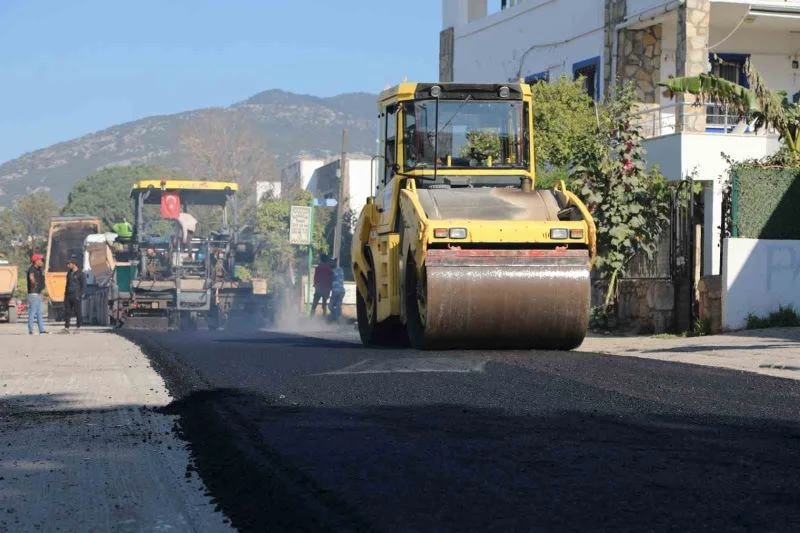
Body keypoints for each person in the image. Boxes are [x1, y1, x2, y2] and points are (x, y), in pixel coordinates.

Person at [62, 255, 85, 333]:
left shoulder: (81, 274)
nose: (68, 265)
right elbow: (67, 284)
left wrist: (80, 295)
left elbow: (83, 286)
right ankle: (66, 327)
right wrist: (65, 294)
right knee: (67, 311)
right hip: (68, 295)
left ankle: (78, 327)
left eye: (69, 264)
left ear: (74, 264)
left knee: (77, 311)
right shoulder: (69, 273)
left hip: (76, 295)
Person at [26, 253, 48, 335]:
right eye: (41, 260)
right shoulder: (31, 269)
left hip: (38, 293)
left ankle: (41, 329)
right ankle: (31, 329)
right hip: (33, 293)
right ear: (36, 261)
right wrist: (34, 284)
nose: (42, 262)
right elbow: (31, 278)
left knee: (39, 312)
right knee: (32, 312)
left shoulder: (39, 269)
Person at [329, 257, 345, 321]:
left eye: (332, 261)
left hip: (336, 291)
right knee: (338, 306)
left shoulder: (333, 271)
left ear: (335, 262)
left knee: (330, 306)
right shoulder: (340, 269)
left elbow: (331, 278)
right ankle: (338, 319)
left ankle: (335, 318)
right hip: (341, 291)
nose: (330, 263)